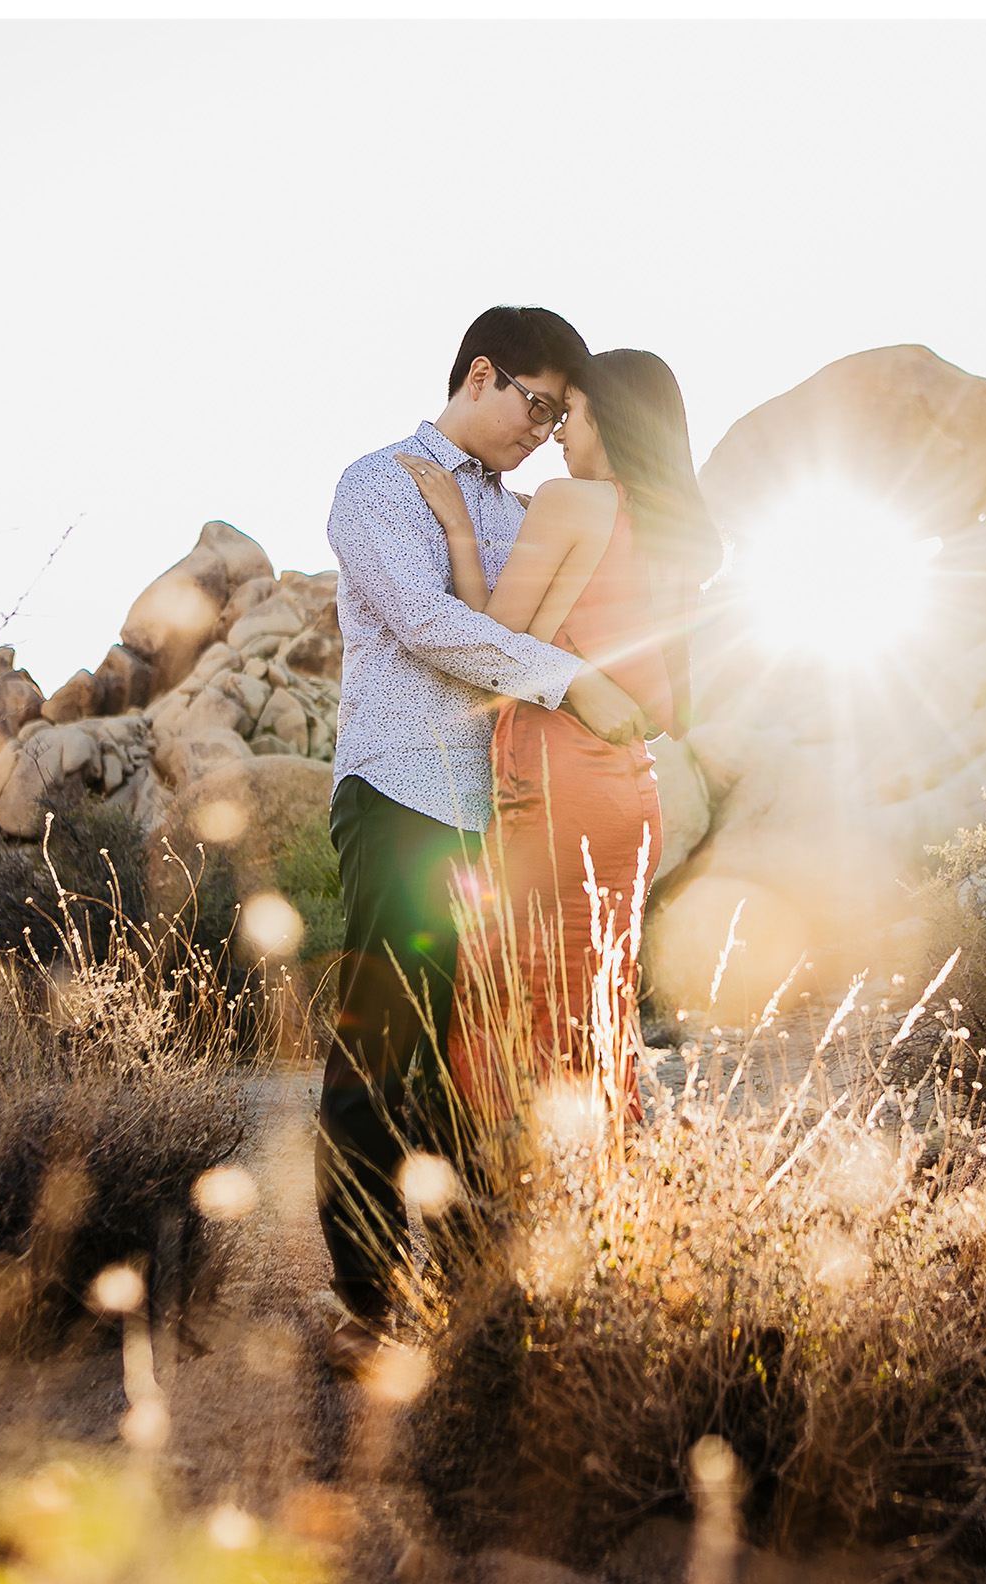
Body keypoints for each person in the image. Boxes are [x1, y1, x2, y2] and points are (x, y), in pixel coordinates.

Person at [316, 306, 652, 1374]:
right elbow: (428, 623)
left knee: (470, 1059)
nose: (548, 429)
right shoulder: (376, 483)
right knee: (382, 1046)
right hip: (406, 794)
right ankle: (368, 1299)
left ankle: (469, 1291)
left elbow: (520, 615)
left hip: (508, 818)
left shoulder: (520, 510)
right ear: (481, 374)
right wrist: (569, 681)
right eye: (538, 404)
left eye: (564, 414)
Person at [391, 348, 720, 1137]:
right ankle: (613, 1205)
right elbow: (663, 705)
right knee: (597, 1003)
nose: (559, 434)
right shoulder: (671, 530)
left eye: (570, 414)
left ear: (609, 419)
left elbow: (496, 653)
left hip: (557, 781)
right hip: (631, 792)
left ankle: (529, 1203)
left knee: (517, 992)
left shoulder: (573, 503)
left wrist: (461, 533)